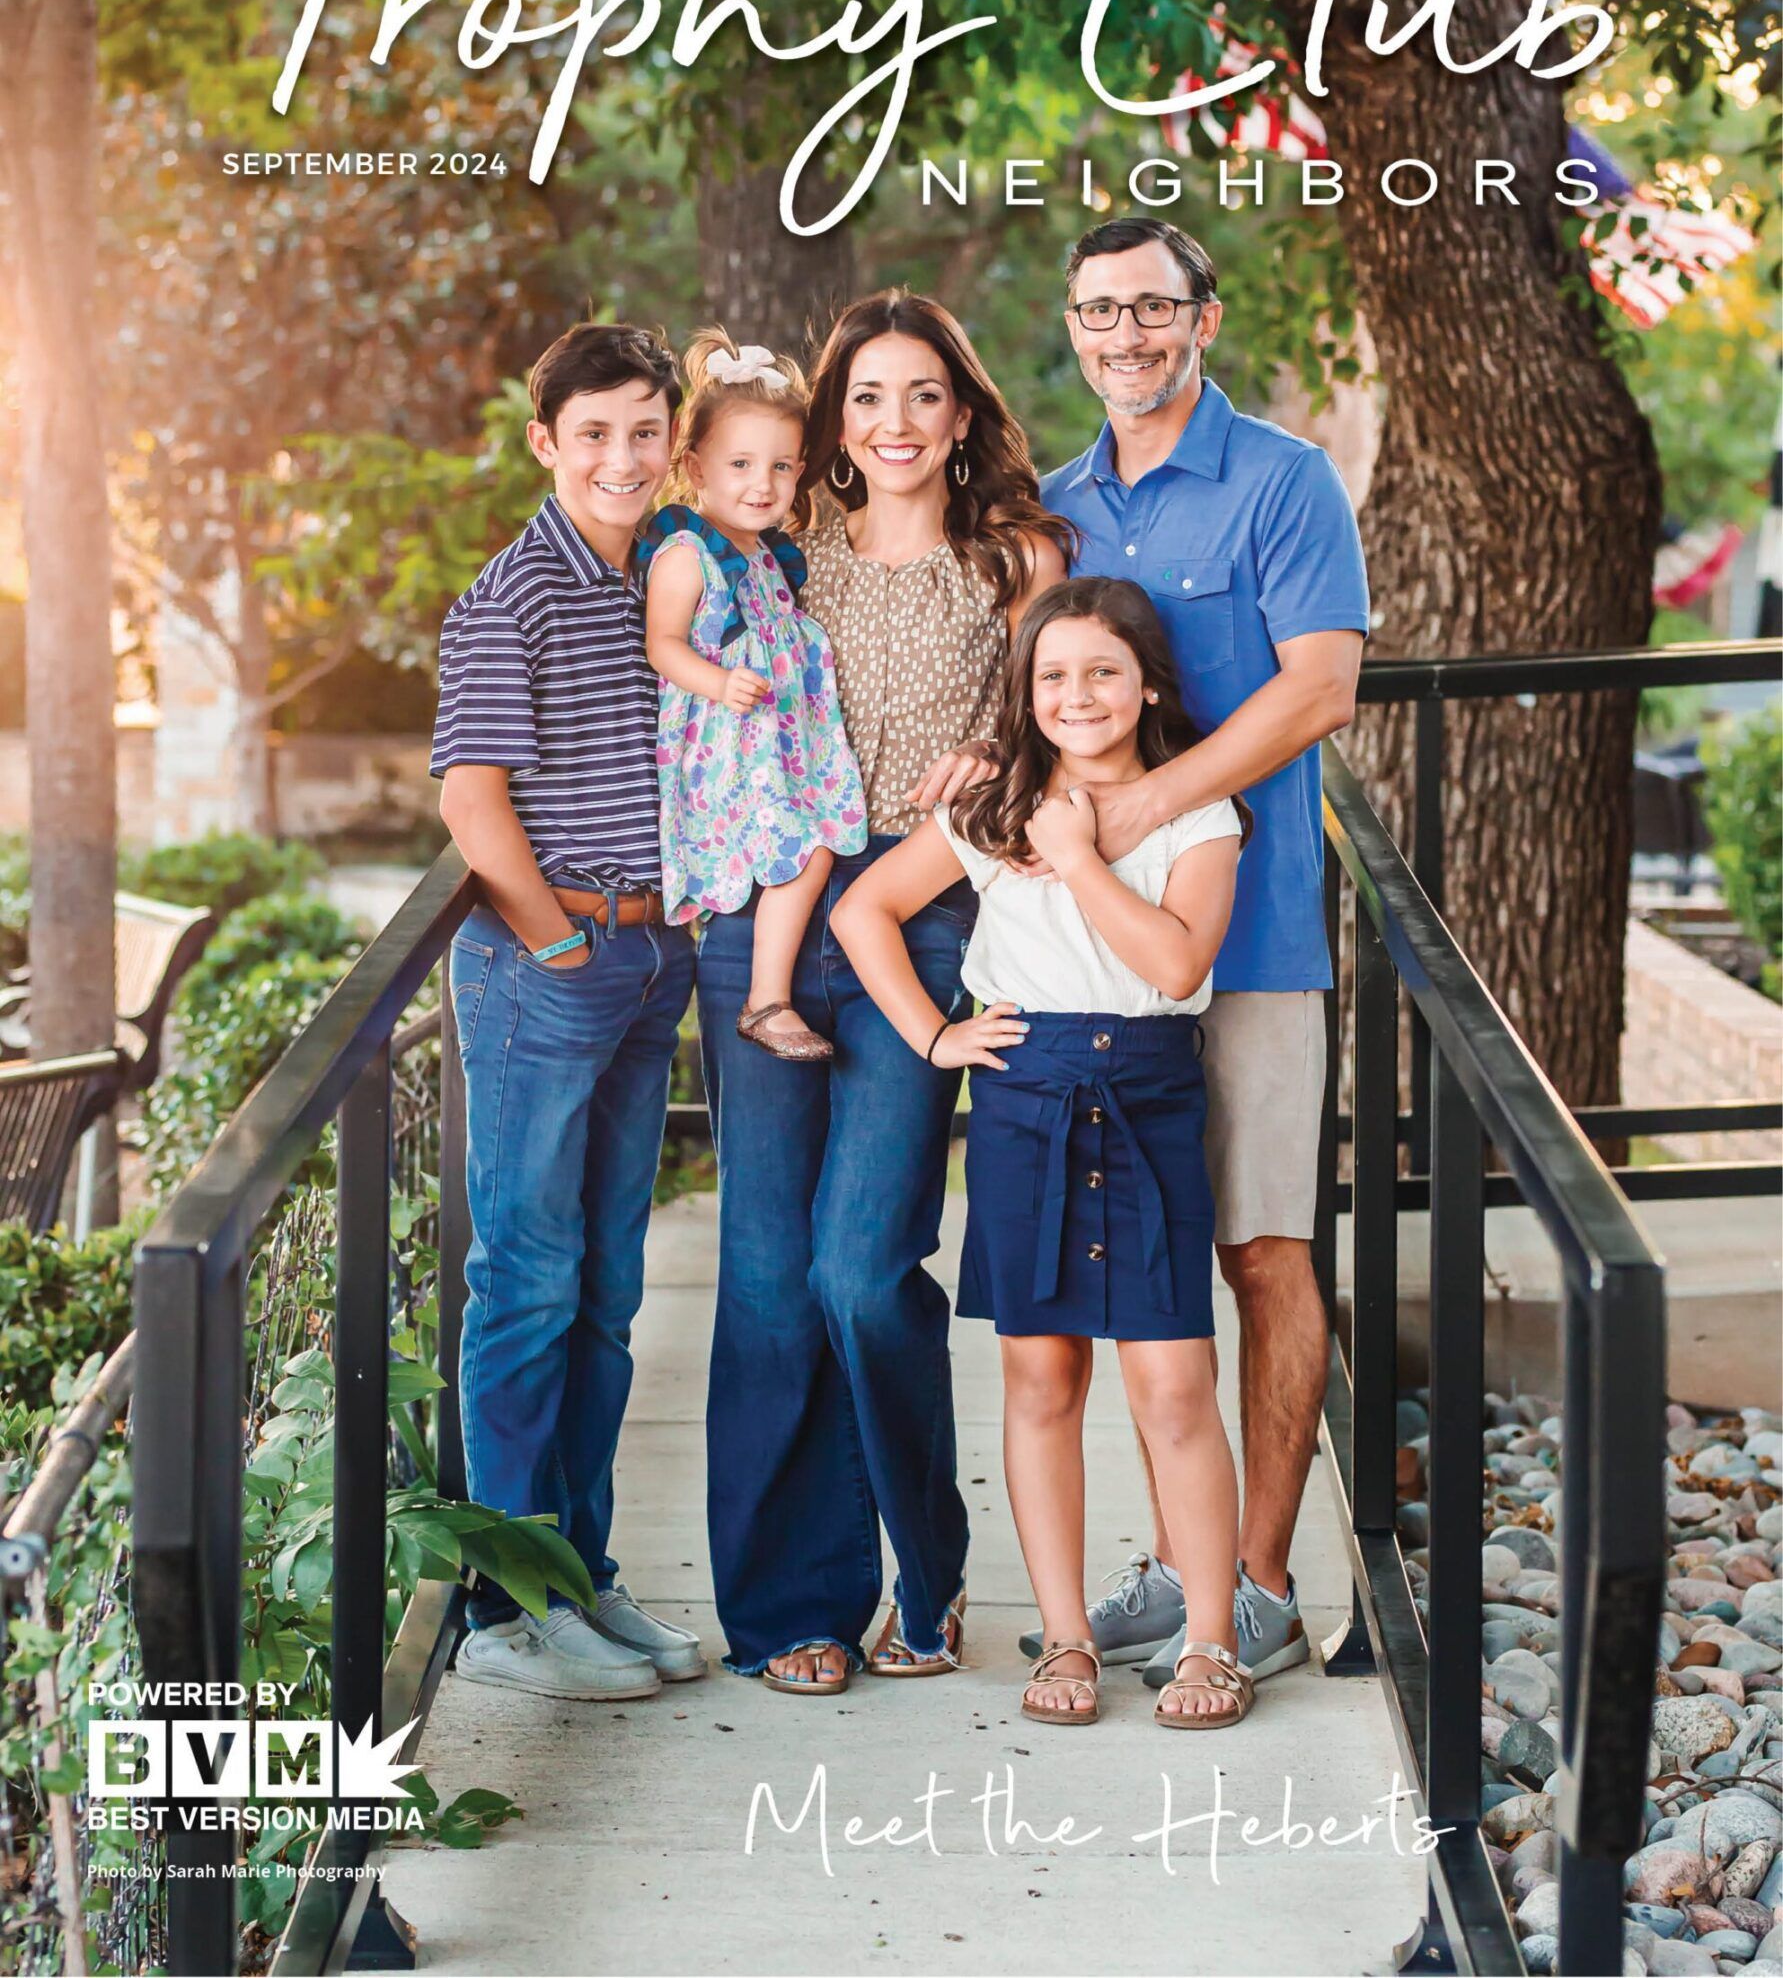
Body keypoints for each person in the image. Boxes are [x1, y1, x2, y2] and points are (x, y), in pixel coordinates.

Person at [698, 288, 1070, 1692]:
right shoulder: (774, 553)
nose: (893, 422)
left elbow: (1064, 727)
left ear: (961, 412)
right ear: (830, 422)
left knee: (861, 1272)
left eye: (922, 395)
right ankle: (794, 1605)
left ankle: (930, 1563)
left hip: (922, 926)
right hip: (764, 930)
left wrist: (983, 770)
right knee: (767, 1285)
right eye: (864, 397)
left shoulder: (1013, 562)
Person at [1035, 217, 1368, 1692]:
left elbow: (1320, 690)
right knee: (1141, 1273)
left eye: (1151, 309)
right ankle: (1176, 1563)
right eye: (1098, 311)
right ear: (1072, 325)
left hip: (1260, 933)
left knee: (1260, 1248)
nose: (1125, 336)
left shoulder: (1285, 481)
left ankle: (1258, 1576)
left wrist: (1147, 804)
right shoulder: (1050, 509)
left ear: (1203, 320)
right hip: (1099, 964)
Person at [834, 579, 1253, 1728]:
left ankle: (1208, 1641)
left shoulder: (1198, 811)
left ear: (1147, 684)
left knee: (1173, 1381)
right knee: (1041, 1374)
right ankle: (1066, 1637)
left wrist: (1077, 856)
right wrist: (934, 1032)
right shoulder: (992, 808)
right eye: (1052, 674)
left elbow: (1174, 965)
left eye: (1102, 671)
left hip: (1150, 1089)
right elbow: (862, 911)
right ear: (1024, 693)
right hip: (1024, 1097)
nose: (1077, 694)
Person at [431, 320, 705, 1702]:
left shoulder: (657, 575)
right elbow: (471, 800)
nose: (619, 455)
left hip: (647, 966)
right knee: (526, 1286)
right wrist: (554, 947)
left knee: (605, 1289)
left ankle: (578, 1578)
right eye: (590, 432)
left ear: (671, 440)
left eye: (643, 430)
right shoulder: (514, 594)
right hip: (552, 966)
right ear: (545, 442)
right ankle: (501, 1610)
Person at [641, 329, 867, 1060]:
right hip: (725, 753)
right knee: (807, 854)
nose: (760, 483)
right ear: (694, 466)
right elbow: (662, 645)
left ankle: (769, 993)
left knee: (818, 847)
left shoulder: (768, 555)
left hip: (776, 747)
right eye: (739, 464)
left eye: (778, 466)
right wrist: (718, 681)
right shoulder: (686, 555)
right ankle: (765, 1002)